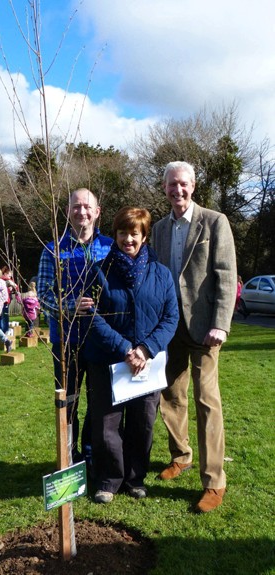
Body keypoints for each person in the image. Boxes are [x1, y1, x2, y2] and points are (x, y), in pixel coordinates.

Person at [151, 161, 237, 513]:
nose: (178, 190)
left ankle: (214, 481)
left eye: (183, 184)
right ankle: (181, 456)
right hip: (169, 328)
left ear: (194, 185)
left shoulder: (215, 222)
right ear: (165, 188)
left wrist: (221, 323)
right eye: (172, 185)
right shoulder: (158, 229)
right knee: (170, 396)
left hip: (204, 328)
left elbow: (227, 275)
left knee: (206, 400)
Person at [82, 207, 179, 503]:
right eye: (122, 233)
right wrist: (125, 349)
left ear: (144, 236)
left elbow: (170, 317)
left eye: (134, 233)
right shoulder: (98, 271)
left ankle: (135, 478)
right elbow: (91, 316)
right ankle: (108, 480)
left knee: (142, 423)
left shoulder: (161, 274)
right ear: (115, 235)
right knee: (105, 424)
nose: (128, 239)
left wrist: (145, 349)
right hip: (107, 360)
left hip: (146, 364)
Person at [37, 188, 113, 464]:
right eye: (76, 207)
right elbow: (44, 295)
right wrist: (71, 305)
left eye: (87, 206)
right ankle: (68, 457)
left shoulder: (110, 247)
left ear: (97, 211)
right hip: (66, 340)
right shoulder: (53, 250)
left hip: (101, 339)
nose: (82, 211)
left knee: (98, 401)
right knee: (68, 402)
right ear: (67, 211)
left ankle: (91, 455)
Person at [0, 266, 19, 334]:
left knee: (1, 316)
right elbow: (16, 287)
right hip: (4, 300)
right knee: (4, 316)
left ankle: (1, 330)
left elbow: (15, 288)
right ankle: (4, 331)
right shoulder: (5, 280)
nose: (10, 276)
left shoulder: (2, 280)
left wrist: (12, 289)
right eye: (9, 274)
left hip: (4, 300)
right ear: (5, 273)